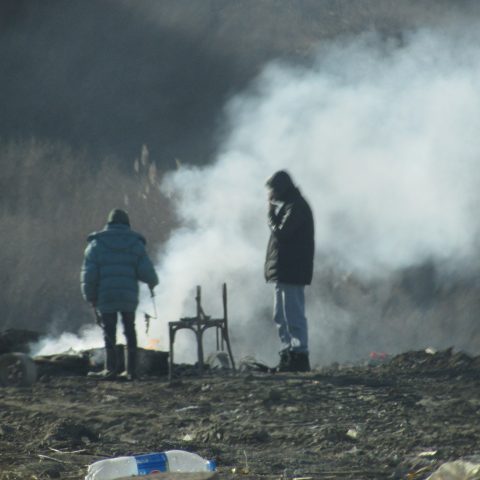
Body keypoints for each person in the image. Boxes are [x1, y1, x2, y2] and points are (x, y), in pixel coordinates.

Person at [81, 209, 158, 380]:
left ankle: (111, 369)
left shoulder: (96, 244)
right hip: (128, 296)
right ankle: (131, 371)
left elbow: (89, 275)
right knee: (130, 330)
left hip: (106, 295)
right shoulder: (135, 243)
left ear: (109, 223)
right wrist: (153, 282)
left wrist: (90, 296)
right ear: (126, 223)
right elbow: (146, 271)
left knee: (109, 331)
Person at [264, 170, 314, 372]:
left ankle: (299, 354)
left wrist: (270, 214)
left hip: (292, 270)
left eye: (273, 190)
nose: (271, 195)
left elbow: (281, 233)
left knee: (293, 314)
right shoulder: (291, 206)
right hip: (285, 270)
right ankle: (288, 354)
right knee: (281, 315)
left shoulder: (296, 207)